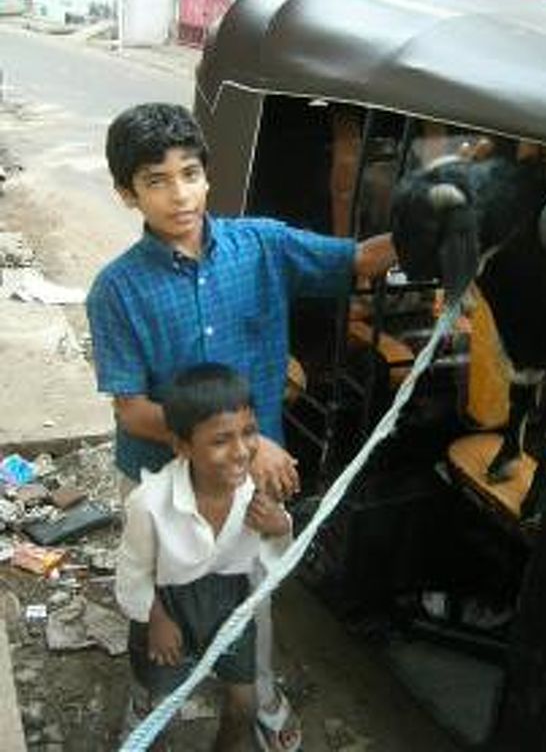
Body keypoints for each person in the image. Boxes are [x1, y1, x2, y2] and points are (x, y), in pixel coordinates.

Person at [86, 102, 396, 747]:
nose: (179, 194)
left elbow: (361, 260)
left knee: (250, 596)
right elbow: (133, 410)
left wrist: (433, 219)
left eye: (190, 173)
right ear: (126, 193)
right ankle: (150, 705)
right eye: (156, 180)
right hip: (160, 481)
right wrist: (242, 450)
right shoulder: (116, 290)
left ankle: (260, 704)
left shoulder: (262, 245)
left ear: (208, 175)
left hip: (247, 484)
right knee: (160, 602)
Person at [116, 363, 292, 751]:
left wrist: (280, 527)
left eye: (249, 433)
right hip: (168, 604)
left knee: (243, 704)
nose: (242, 450)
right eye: (220, 440)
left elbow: (272, 560)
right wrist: (156, 618)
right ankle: (141, 711)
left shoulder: (255, 491)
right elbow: (133, 572)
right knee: (160, 702)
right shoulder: (150, 503)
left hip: (230, 603)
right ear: (181, 446)